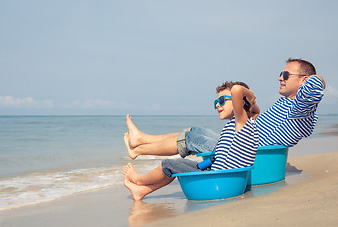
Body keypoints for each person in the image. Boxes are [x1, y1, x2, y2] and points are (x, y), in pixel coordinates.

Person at [124, 58, 326, 161]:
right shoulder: (285, 104)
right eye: (280, 73)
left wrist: (315, 79)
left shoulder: (302, 107)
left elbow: (317, 85)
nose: (280, 77)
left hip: (245, 151)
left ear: (303, 81)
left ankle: (140, 149)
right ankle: (141, 139)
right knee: (197, 131)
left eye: (285, 74)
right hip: (242, 142)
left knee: (192, 140)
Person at [123, 81, 259, 200]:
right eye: (216, 102)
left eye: (222, 100)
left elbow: (236, 90)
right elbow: (255, 110)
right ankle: (141, 191)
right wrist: (251, 103)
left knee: (168, 164)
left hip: (216, 180)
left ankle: (138, 180)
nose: (218, 105)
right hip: (216, 173)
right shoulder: (249, 121)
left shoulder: (241, 122)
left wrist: (250, 96)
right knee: (179, 166)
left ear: (240, 102)